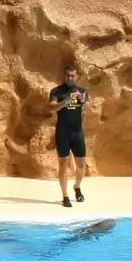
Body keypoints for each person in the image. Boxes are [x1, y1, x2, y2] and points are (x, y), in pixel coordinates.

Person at [50, 66, 90, 208]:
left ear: (76, 76)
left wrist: (83, 101)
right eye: (68, 75)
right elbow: (52, 107)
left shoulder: (83, 91)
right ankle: (65, 196)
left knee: (81, 165)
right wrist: (67, 100)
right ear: (64, 75)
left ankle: (77, 187)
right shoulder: (56, 91)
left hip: (77, 132)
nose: (70, 78)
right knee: (63, 164)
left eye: (73, 76)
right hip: (63, 132)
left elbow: (89, 109)